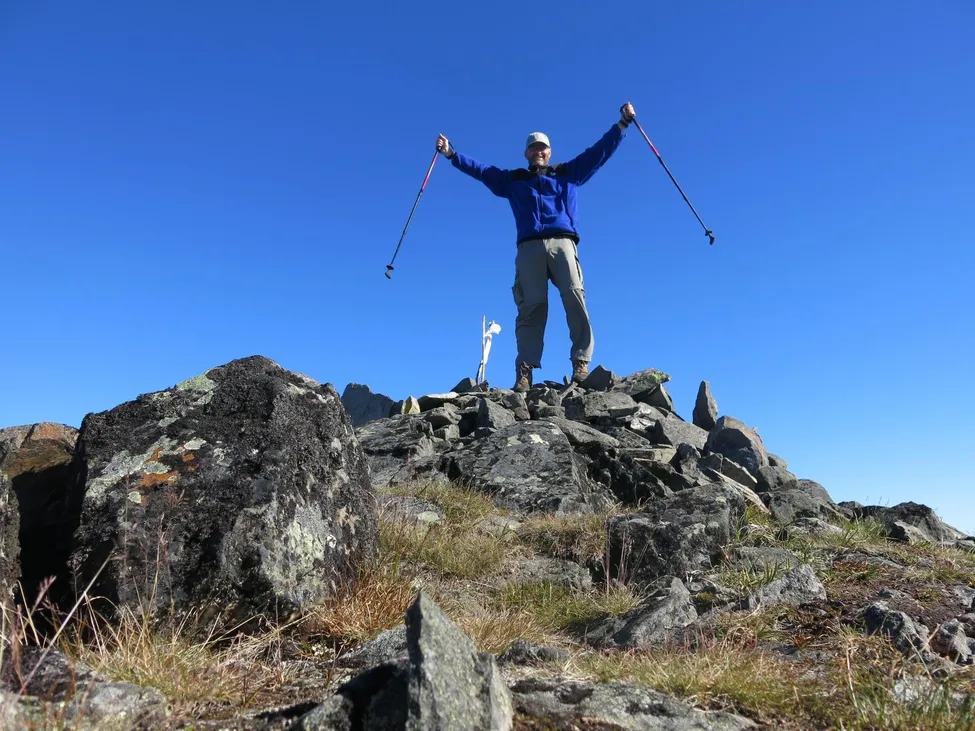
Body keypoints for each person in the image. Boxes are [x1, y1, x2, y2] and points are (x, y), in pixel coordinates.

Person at [437, 102, 636, 392]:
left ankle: (581, 363)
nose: (538, 152)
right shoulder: (513, 181)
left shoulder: (568, 173)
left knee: (574, 296)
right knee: (531, 308)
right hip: (528, 247)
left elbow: (598, 153)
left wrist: (621, 126)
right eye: (533, 148)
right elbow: (482, 171)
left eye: (543, 148)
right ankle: (525, 371)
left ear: (549, 151)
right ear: (527, 153)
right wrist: (452, 154)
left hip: (563, 242)